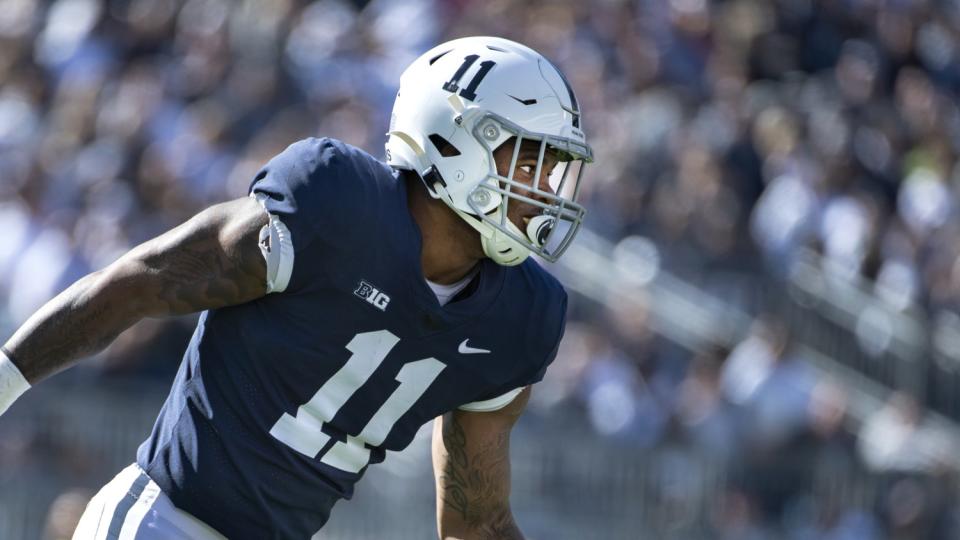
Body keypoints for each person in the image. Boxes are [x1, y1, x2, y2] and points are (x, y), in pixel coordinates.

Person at [0, 36, 593, 539]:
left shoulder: (521, 316)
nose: (546, 188)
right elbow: (140, 282)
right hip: (167, 520)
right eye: (532, 160)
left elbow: (477, 521)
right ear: (454, 140)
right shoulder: (335, 207)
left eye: (552, 169)